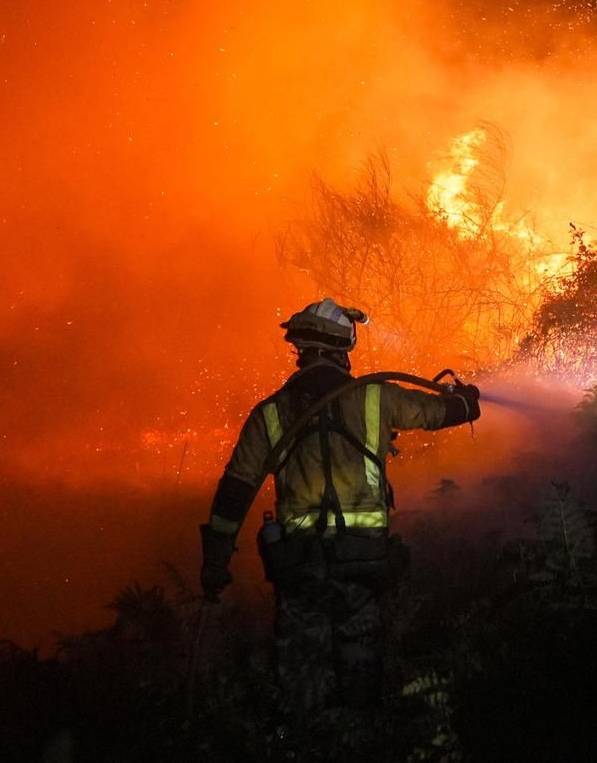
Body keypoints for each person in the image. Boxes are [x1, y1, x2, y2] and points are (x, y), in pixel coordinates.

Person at [198, 298, 480, 727]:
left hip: (299, 568)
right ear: (342, 348)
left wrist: (215, 564)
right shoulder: (374, 398)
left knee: (301, 678)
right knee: (361, 669)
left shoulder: (270, 414)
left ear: (302, 350)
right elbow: (439, 413)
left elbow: (234, 495)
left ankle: (303, 742)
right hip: (362, 561)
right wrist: (467, 400)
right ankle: (359, 737)